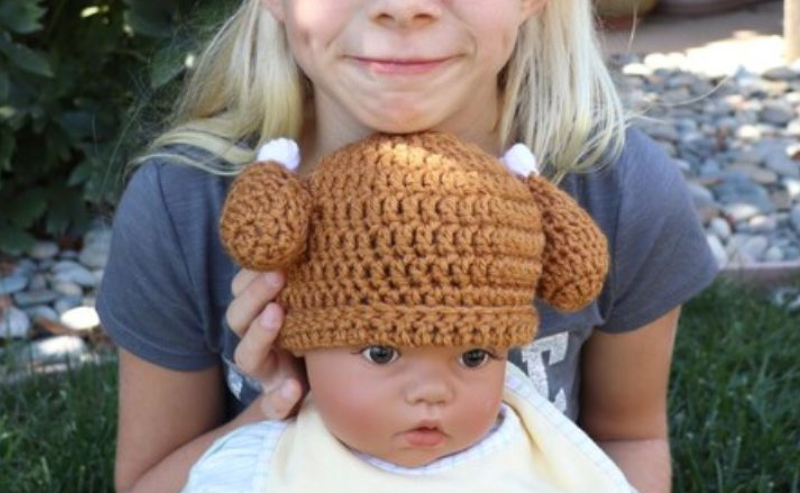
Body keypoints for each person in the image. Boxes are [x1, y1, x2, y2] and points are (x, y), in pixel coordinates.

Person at [96, 0, 718, 493]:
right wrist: (279, 408)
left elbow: (629, 439)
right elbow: (147, 480)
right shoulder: (186, 208)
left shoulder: (617, 195)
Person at [182, 130, 632, 492]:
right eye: (381, 352)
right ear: (301, 339)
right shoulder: (260, 473)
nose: (431, 392)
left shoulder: (545, 457)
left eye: (474, 356)